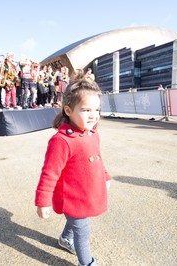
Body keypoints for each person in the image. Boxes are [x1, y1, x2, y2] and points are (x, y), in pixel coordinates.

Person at [35, 70, 111, 266]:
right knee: (83, 230)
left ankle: (65, 239)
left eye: (97, 110)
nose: (93, 115)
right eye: (86, 110)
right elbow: (49, 173)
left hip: (85, 192)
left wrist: (105, 175)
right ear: (68, 111)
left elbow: (98, 158)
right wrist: (43, 201)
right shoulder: (61, 141)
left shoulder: (92, 134)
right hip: (72, 195)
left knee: (78, 221)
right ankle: (86, 263)